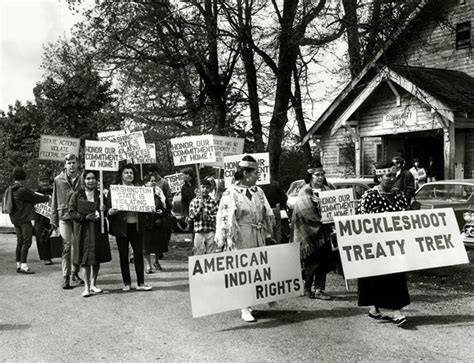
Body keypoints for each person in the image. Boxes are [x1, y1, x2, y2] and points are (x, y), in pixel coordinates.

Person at [215, 155, 275, 322]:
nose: (258, 175)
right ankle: (244, 307)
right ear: (246, 174)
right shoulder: (230, 193)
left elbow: (267, 214)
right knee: (243, 271)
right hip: (241, 235)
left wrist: (268, 234)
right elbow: (224, 219)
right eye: (256, 172)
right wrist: (227, 239)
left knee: (257, 270)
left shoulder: (259, 192)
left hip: (257, 233)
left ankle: (251, 301)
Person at [357, 160, 410, 326]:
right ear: (379, 177)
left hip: (395, 245)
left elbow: (406, 217)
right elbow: (361, 221)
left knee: (396, 276)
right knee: (376, 278)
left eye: (394, 175)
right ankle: (375, 308)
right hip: (376, 246)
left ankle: (396, 311)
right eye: (389, 175)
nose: (392, 178)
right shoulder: (369, 196)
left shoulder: (399, 195)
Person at [291, 161, 334, 301]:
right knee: (312, 261)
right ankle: (307, 287)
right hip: (310, 231)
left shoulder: (327, 190)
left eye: (322, 174)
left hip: (325, 232)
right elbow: (306, 213)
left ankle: (319, 289)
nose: (320, 177)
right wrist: (322, 221)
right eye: (317, 175)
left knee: (324, 261)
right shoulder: (305, 191)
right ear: (310, 176)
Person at [107, 163, 152, 291]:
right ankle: (126, 283)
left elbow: (146, 208)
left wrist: (150, 207)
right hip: (121, 228)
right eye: (126, 172)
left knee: (138, 254)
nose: (129, 175)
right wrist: (110, 212)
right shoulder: (115, 190)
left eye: (131, 173)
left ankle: (141, 283)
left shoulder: (139, 189)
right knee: (123, 255)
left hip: (136, 227)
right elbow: (108, 208)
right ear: (121, 175)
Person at [69, 171, 112, 297]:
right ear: (84, 180)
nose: (91, 181)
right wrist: (85, 217)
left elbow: (109, 210)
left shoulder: (101, 195)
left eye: (93, 178)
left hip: (98, 229)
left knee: (96, 258)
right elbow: (71, 212)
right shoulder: (77, 195)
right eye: (88, 178)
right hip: (83, 230)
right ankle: (86, 287)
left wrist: (105, 210)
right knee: (85, 259)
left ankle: (93, 284)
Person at [9, 167, 51, 274]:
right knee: (27, 241)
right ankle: (23, 265)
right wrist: (48, 197)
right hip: (24, 219)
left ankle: (18, 264)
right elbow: (35, 197)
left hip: (15, 219)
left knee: (20, 241)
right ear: (23, 178)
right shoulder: (22, 190)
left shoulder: (11, 189)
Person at [51, 153, 84, 289]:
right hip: (64, 215)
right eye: (69, 163)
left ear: (78, 164)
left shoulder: (83, 178)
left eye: (73, 162)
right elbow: (54, 199)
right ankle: (66, 276)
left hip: (78, 215)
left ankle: (75, 273)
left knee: (78, 246)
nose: (71, 165)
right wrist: (53, 218)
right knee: (66, 247)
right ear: (65, 165)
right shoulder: (58, 179)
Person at [145, 165, 173, 269]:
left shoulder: (161, 189)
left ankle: (156, 261)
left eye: (154, 181)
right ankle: (148, 265)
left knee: (159, 244)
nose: (153, 182)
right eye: (150, 180)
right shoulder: (143, 190)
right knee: (146, 245)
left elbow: (168, 202)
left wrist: (164, 211)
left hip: (158, 221)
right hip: (147, 221)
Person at [188, 179, 218, 255]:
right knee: (198, 253)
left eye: (207, 187)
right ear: (199, 189)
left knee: (211, 253)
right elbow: (191, 216)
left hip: (210, 231)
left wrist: (208, 217)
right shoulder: (194, 201)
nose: (205, 189)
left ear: (210, 189)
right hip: (199, 231)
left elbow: (217, 216)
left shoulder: (213, 201)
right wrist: (199, 209)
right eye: (203, 187)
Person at [34, 171, 54, 265]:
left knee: (51, 238)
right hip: (40, 218)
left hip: (50, 218)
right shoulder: (36, 193)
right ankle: (45, 258)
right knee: (42, 239)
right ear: (39, 182)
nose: (45, 183)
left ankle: (51, 256)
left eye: (46, 181)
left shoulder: (52, 191)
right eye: (43, 181)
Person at [260, 179, 288, 244]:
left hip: (264, 210)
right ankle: (278, 245)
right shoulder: (275, 184)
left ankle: (271, 245)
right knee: (277, 228)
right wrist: (281, 204)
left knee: (268, 229)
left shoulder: (259, 187)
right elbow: (284, 197)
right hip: (275, 208)